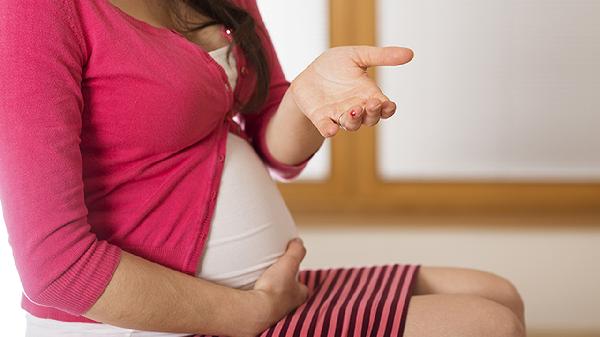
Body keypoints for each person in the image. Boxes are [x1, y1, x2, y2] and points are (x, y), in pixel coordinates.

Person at [0, 1, 525, 336]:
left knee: (496, 293)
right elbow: (57, 270)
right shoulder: (37, 11)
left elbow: (275, 141)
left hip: (255, 291)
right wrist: (248, 314)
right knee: (483, 324)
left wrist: (306, 96)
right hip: (149, 320)